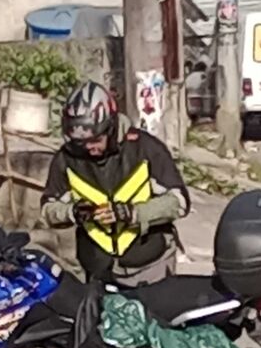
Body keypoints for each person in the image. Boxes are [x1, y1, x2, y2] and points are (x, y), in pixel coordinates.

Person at [41, 81, 191, 286]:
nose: (90, 148)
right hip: (97, 270)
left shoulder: (145, 148)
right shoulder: (66, 159)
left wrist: (132, 213)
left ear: (110, 128)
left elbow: (179, 202)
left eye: (96, 140)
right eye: (81, 142)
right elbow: (47, 210)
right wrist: (73, 212)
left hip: (149, 267)